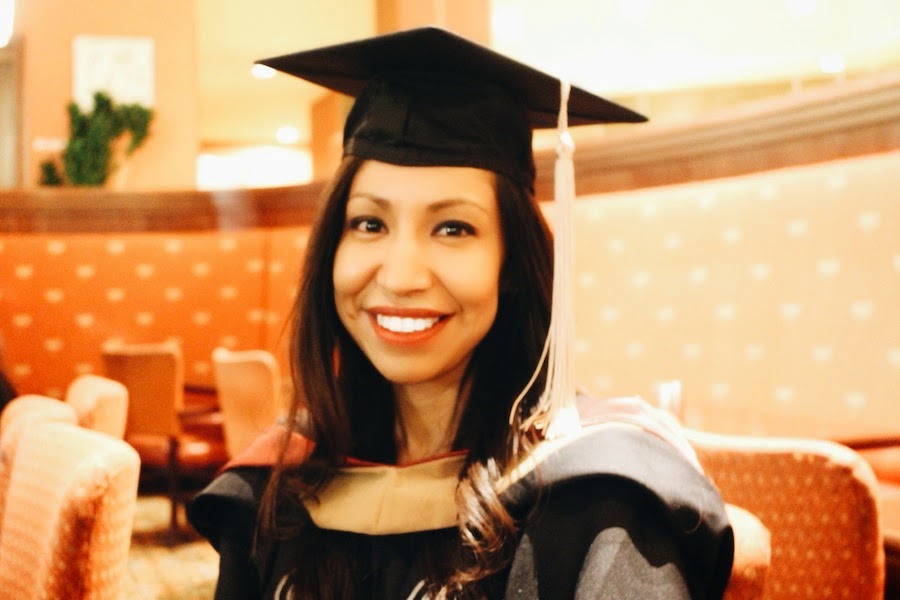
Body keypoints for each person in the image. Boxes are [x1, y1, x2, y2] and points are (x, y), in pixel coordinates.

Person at [187, 27, 734, 599]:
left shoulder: (599, 506)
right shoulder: (277, 491)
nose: (400, 276)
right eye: (369, 223)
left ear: (512, 263)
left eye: (453, 228)